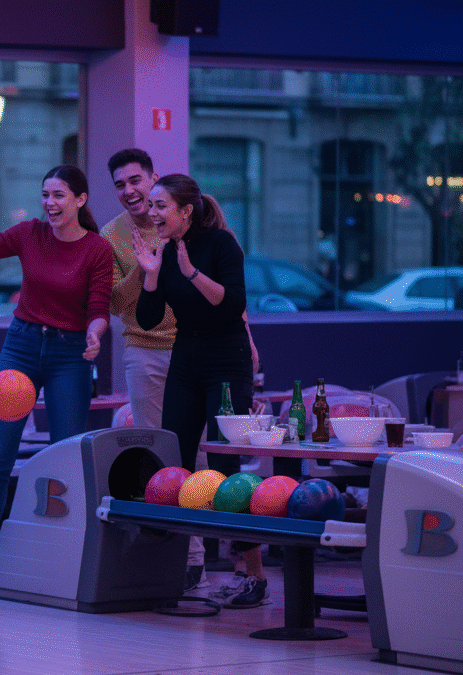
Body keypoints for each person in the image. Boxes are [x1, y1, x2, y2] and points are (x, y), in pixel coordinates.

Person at [0, 165, 111, 592]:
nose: (50, 203)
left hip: (70, 354)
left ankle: (62, 557)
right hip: (21, 345)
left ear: (80, 199)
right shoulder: (29, 233)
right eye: (45, 194)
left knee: (66, 455)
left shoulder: (96, 249)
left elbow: (98, 307)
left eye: (59, 195)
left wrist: (94, 335)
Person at [133, 173, 268, 608]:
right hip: (185, 359)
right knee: (174, 457)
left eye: (159, 207)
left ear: (185, 211)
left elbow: (230, 304)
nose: (151, 214)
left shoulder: (221, 245)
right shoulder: (163, 252)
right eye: (150, 206)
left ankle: (254, 575)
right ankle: (180, 568)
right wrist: (151, 274)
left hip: (227, 362)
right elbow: (150, 319)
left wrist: (191, 272)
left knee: (227, 465)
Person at [100, 149, 173, 429]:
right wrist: (143, 266)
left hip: (191, 345)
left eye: (135, 181)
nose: (128, 191)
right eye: (120, 185)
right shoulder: (110, 235)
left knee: (199, 445)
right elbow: (115, 305)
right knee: (154, 441)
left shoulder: (179, 220)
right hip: (143, 349)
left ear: (154, 179)